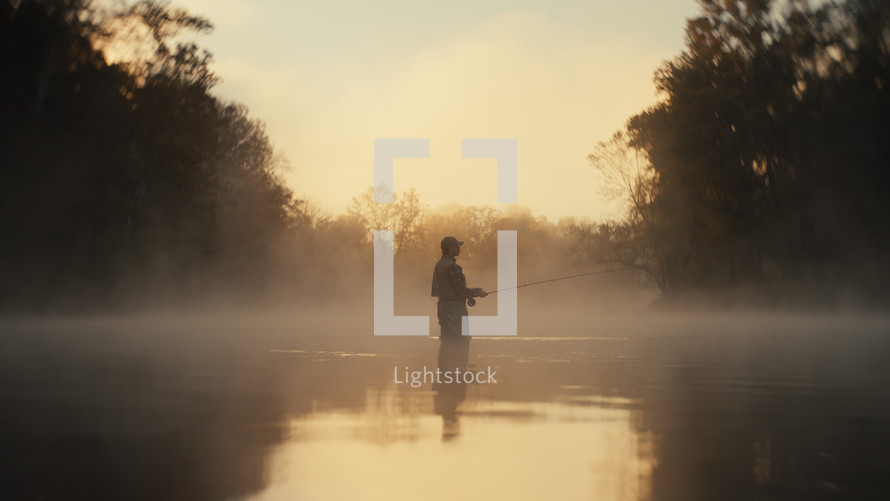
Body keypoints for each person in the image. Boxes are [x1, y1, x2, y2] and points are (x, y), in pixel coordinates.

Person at [430, 236, 488, 339]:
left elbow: (450, 287)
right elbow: (461, 291)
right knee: (461, 340)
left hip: (443, 307)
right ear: (449, 248)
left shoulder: (439, 264)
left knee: (447, 339)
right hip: (455, 309)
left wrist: (474, 290)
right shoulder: (452, 266)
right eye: (456, 246)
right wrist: (478, 293)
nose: (459, 248)